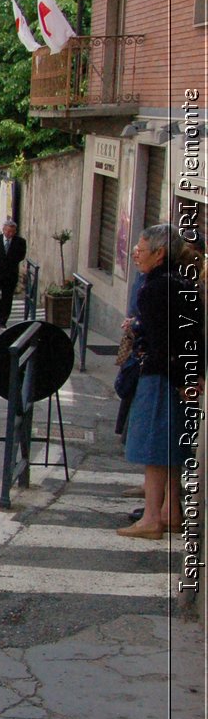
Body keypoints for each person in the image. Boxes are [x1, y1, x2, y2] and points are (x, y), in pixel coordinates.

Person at [117, 225, 198, 539]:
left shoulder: (155, 288)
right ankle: (171, 511)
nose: (136, 253)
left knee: (153, 448)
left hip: (161, 376)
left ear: (159, 253)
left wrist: (180, 379)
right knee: (172, 444)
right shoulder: (181, 282)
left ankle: (152, 518)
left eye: (141, 247)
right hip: (179, 375)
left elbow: (165, 343)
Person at [0, 219, 27, 328]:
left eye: (12, 232)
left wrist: (10, 262)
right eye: (7, 231)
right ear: (3, 230)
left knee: (7, 298)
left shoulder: (20, 242)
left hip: (10, 274)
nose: (9, 234)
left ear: (15, 231)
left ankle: (3, 320)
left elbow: (21, 256)